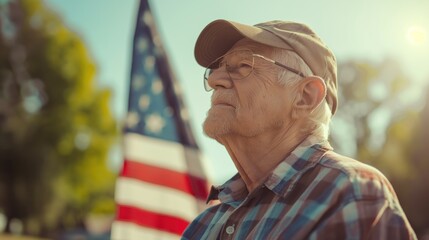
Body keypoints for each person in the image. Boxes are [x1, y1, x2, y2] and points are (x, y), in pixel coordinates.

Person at [181, 19, 416, 239]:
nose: (214, 80)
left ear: (305, 96)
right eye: (217, 68)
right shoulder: (201, 226)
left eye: (243, 65)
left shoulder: (351, 191)